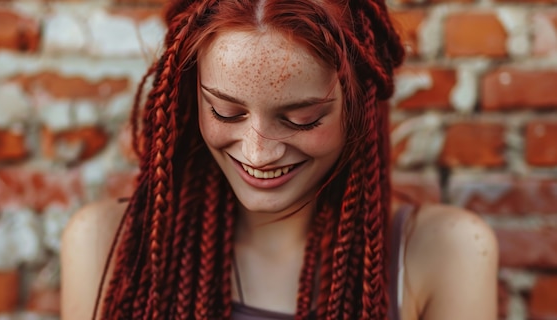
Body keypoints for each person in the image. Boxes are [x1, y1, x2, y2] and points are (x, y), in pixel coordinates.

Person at [61, 0, 498, 319]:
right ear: (190, 97)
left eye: (302, 119)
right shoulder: (106, 247)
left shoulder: (442, 253)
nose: (258, 152)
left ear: (358, 106)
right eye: (225, 112)